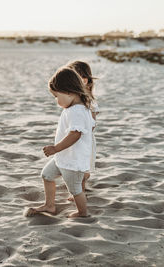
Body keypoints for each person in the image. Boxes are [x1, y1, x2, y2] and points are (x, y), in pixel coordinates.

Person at [26, 67, 95, 218]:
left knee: (75, 189)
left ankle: (82, 213)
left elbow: (75, 134)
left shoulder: (78, 110)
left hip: (73, 160)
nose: (56, 101)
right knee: (47, 175)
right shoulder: (75, 108)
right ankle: (50, 205)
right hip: (63, 158)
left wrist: (56, 148)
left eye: (56, 96)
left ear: (69, 91)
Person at [66, 61, 99, 201]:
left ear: (85, 80)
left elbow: (92, 123)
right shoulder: (73, 99)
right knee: (74, 164)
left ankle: (81, 191)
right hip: (74, 136)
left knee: (83, 167)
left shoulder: (89, 101)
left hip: (85, 139)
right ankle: (77, 190)